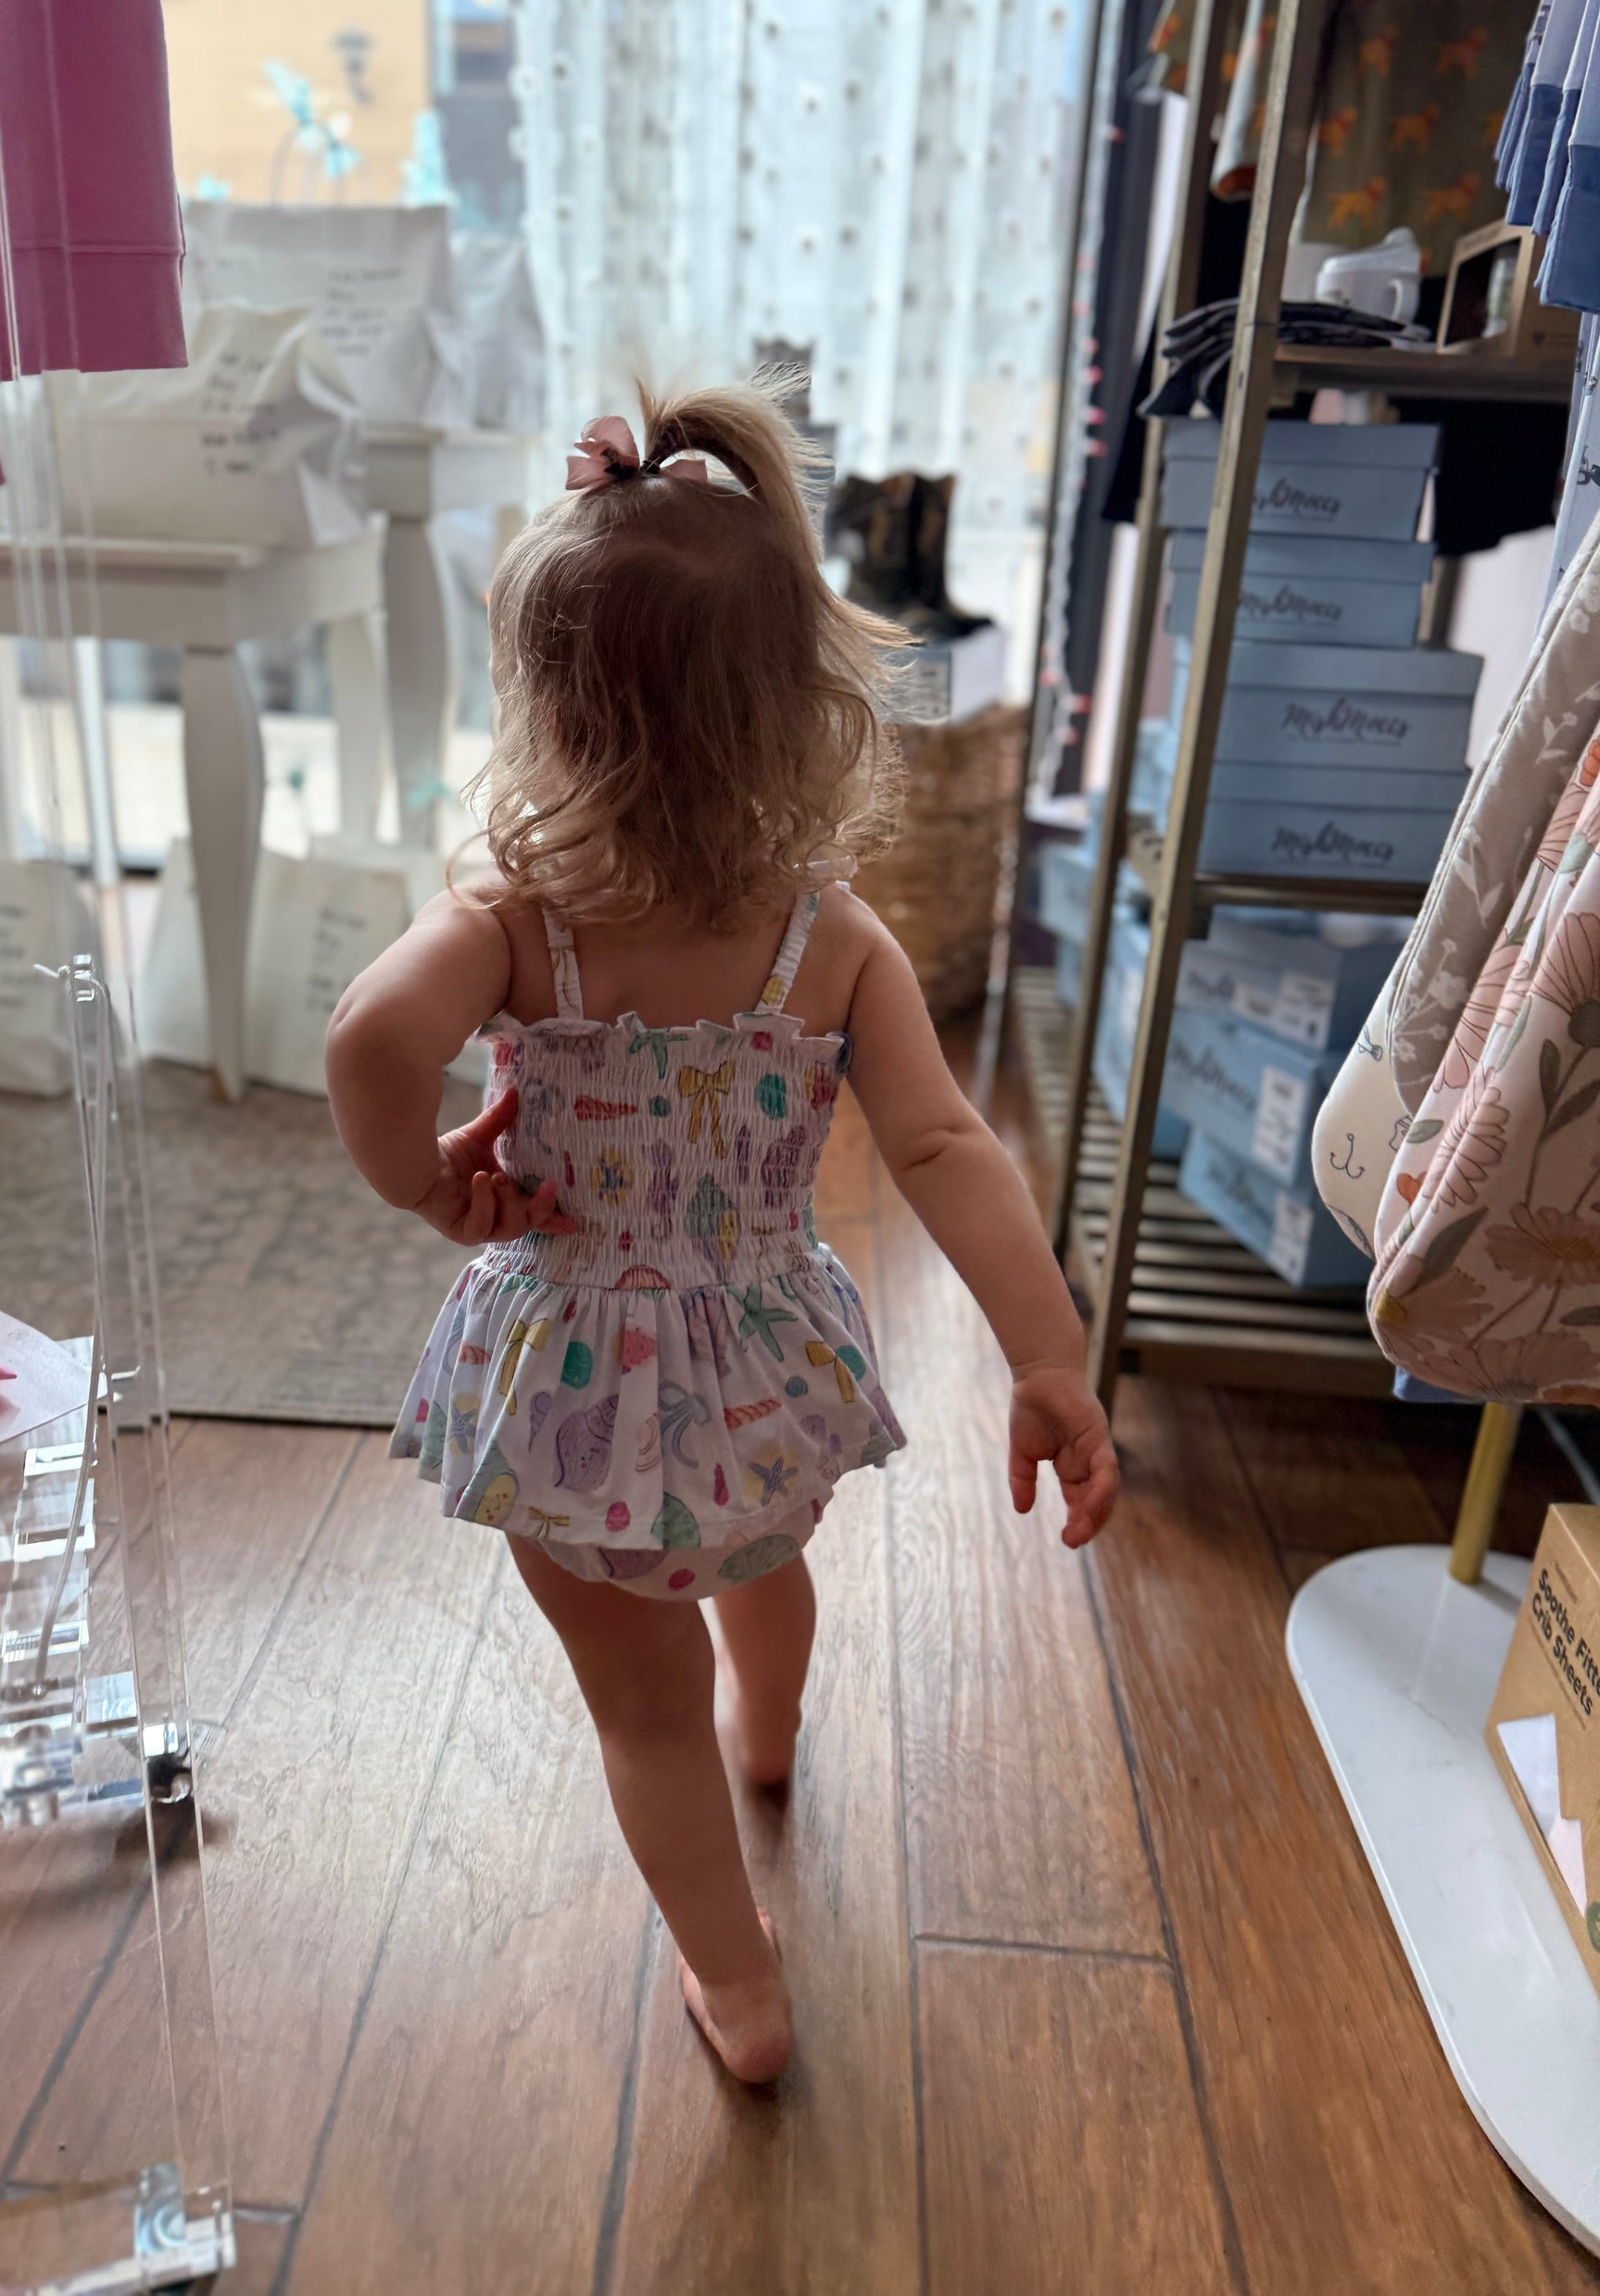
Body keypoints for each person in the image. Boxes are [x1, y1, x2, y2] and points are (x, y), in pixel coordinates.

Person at [326, 383, 1118, 2086]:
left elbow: (366, 1046)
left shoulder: (514, 927)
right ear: (801, 713)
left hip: (567, 1392)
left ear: (542, 710)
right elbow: (941, 1141)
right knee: (763, 1564)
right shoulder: (829, 940)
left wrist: (423, 1182)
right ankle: (775, 1734)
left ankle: (739, 1990)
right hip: (761, 1381)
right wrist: (1047, 1359)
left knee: (635, 1701)